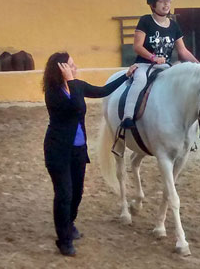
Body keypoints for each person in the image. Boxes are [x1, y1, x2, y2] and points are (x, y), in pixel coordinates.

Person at [43, 52, 134, 256]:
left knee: (77, 193)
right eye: (71, 65)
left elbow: (102, 90)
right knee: (64, 194)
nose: (75, 68)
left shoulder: (77, 85)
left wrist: (126, 75)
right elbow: (75, 105)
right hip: (58, 150)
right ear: (61, 69)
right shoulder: (53, 92)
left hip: (78, 150)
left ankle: (69, 223)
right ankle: (63, 239)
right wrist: (70, 81)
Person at [121, 0, 198, 129]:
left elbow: (182, 51)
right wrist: (153, 57)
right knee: (140, 81)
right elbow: (137, 46)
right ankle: (128, 116)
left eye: (168, 1)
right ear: (152, 4)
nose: (166, 4)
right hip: (145, 65)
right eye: (162, 1)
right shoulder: (146, 21)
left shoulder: (174, 26)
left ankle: (185, 126)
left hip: (165, 66)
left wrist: (198, 64)